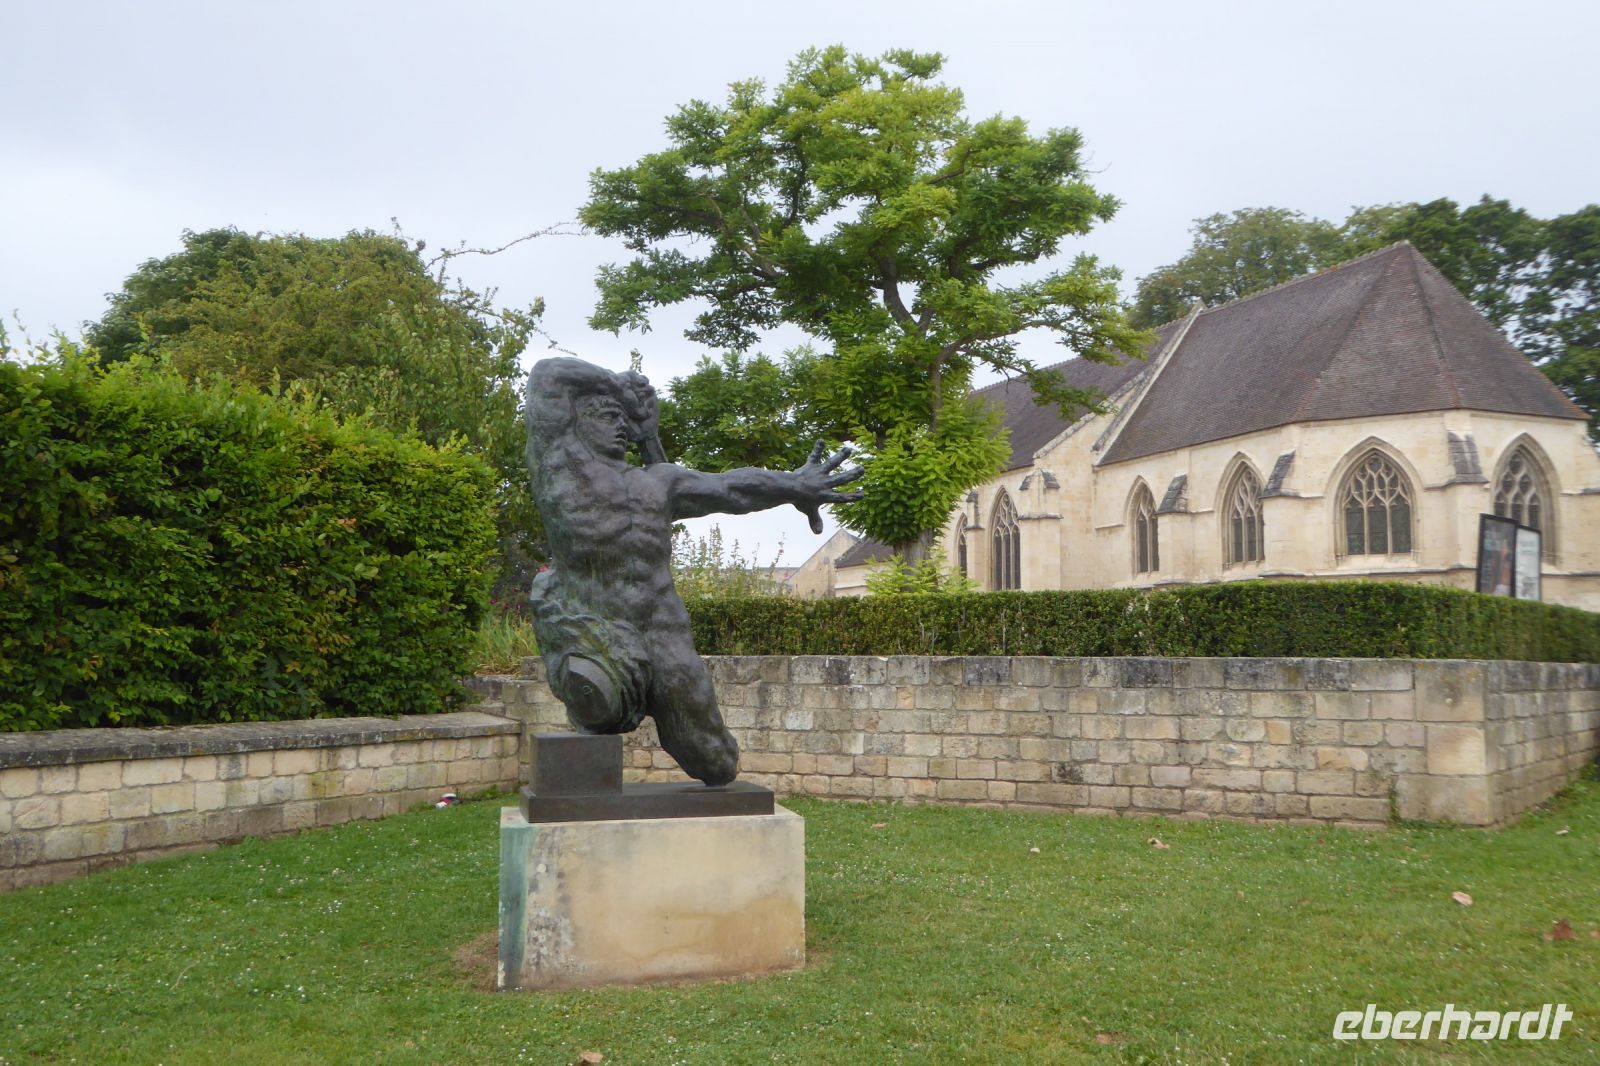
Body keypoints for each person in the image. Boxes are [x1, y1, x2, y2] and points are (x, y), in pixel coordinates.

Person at [524, 357, 862, 786]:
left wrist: (796, 485)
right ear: (577, 422)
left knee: (716, 763)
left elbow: (732, 488)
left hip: (662, 629)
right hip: (594, 625)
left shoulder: (659, 483)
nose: (621, 427)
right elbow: (547, 374)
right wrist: (618, 386)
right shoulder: (560, 465)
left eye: (625, 421)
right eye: (610, 417)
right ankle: (602, 694)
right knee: (600, 702)